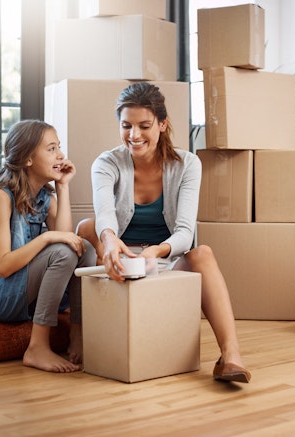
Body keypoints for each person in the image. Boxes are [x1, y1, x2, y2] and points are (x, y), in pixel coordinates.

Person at [77, 82, 251, 383]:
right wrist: (110, 242)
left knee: (204, 253)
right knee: (87, 229)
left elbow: (185, 232)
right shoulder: (106, 163)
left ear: (162, 123)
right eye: (126, 125)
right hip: (122, 256)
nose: (134, 135)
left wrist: (155, 252)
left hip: (166, 258)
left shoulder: (187, 164)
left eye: (144, 126)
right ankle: (78, 334)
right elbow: (105, 215)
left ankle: (231, 355)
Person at [0, 120, 96, 373]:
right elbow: (4, 266)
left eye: (59, 147)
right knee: (60, 247)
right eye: (51, 149)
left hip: (24, 290)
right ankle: (37, 346)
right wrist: (46, 238)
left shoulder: (44, 198)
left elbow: (70, 243)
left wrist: (63, 186)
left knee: (85, 248)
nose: (60, 155)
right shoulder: (1, 197)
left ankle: (77, 332)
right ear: (27, 158)